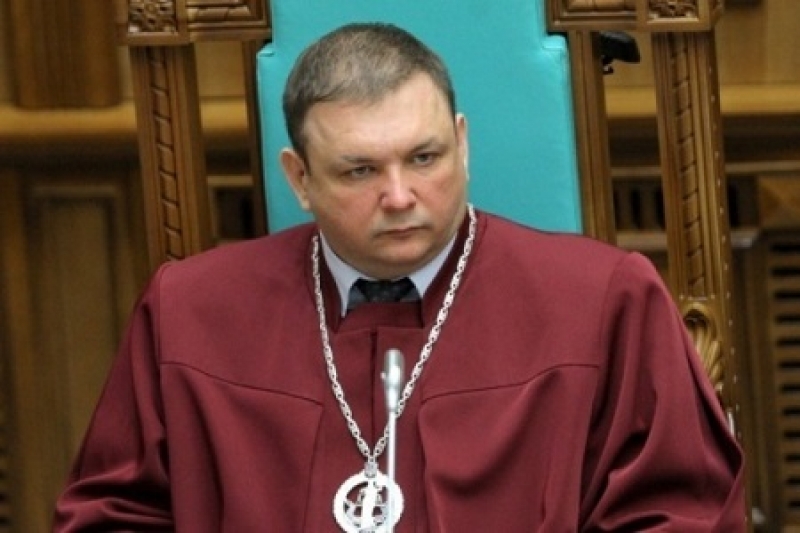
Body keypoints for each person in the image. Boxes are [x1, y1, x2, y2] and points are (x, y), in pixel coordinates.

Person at [54, 22, 746, 531]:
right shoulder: (191, 311)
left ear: (463, 143)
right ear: (299, 178)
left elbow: (679, 513)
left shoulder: (603, 300)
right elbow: (114, 515)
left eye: (424, 157)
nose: (399, 196)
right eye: (360, 170)